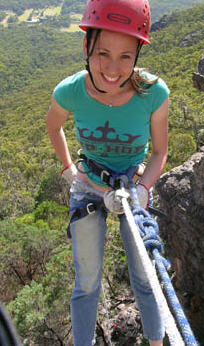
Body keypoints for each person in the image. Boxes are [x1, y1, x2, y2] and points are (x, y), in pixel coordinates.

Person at [46, 0, 169, 345]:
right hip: (88, 186)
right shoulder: (69, 91)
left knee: (144, 277)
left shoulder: (155, 94)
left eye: (125, 56)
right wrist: (70, 171)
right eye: (103, 53)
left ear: (137, 56)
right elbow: (53, 127)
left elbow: (160, 152)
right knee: (86, 283)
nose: (113, 69)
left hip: (133, 185)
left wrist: (143, 189)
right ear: (86, 46)